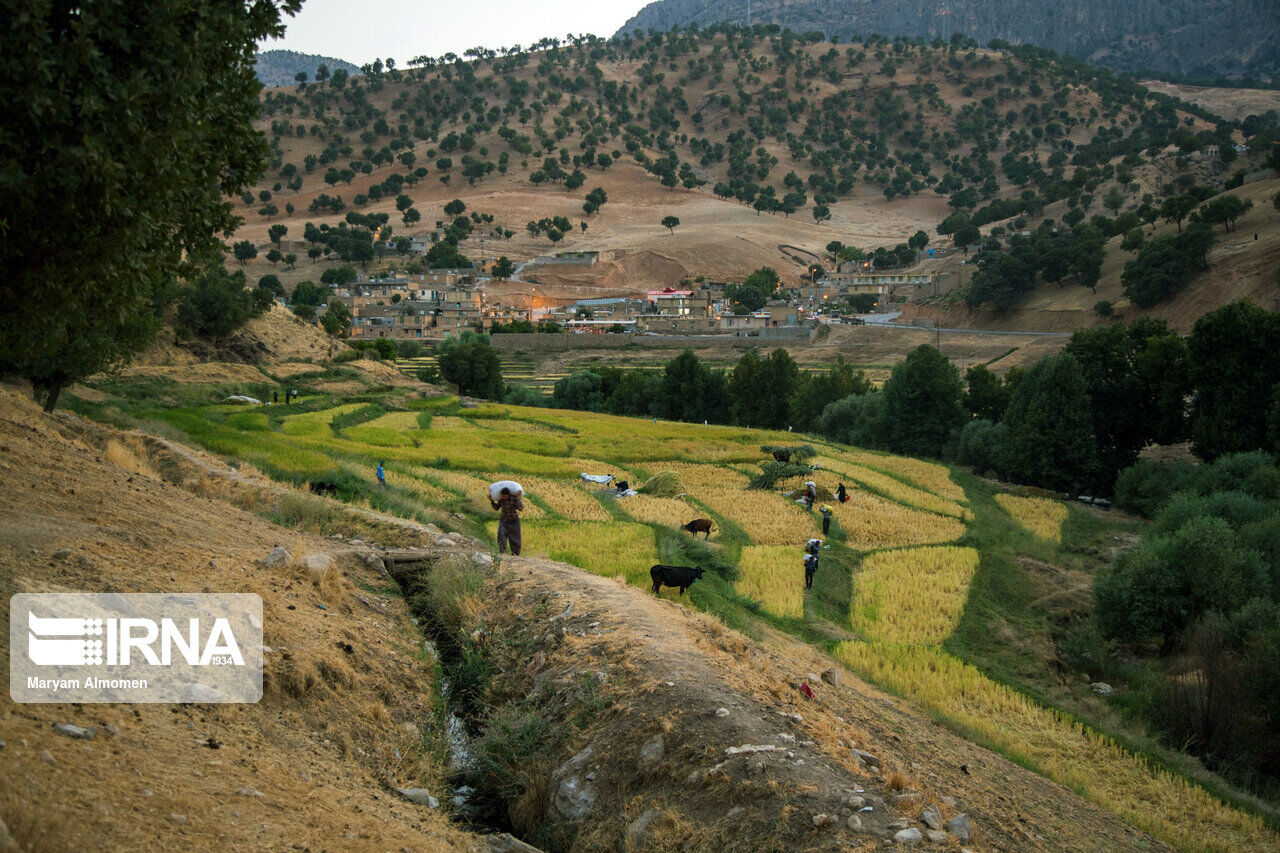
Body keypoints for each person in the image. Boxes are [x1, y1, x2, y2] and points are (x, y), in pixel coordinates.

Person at [491, 486, 523, 555]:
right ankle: (503, 552)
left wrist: (518, 498)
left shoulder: (513, 499)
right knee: (501, 535)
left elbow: (520, 508)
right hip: (503, 520)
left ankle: (515, 554)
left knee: (515, 538)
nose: (502, 497)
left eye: (504, 495)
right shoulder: (501, 500)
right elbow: (496, 508)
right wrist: (492, 501)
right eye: (502, 495)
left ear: (507, 495)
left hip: (514, 520)